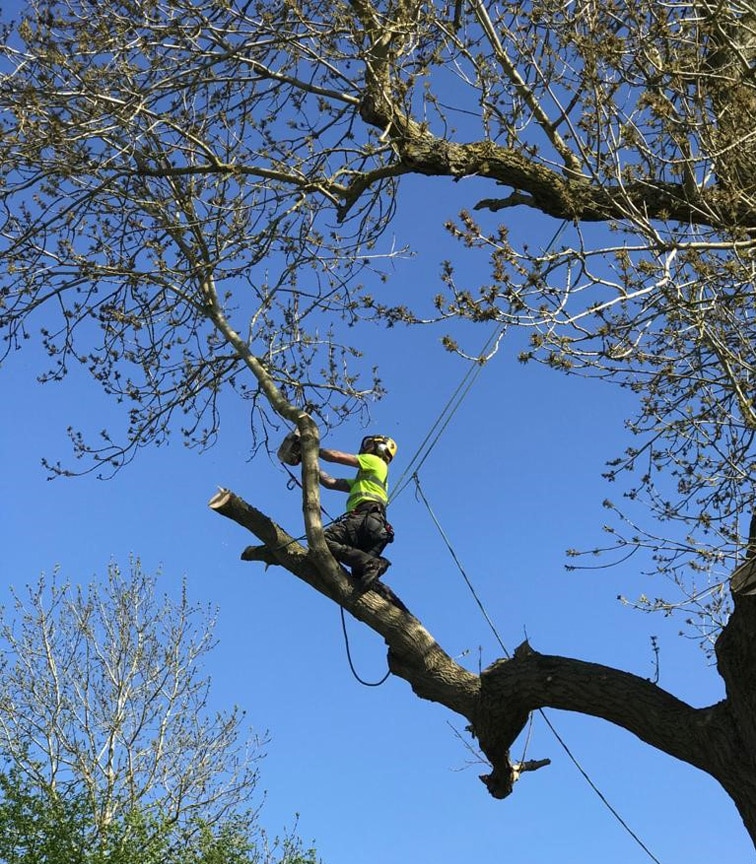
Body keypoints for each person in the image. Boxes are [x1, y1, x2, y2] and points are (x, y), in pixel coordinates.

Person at [318, 435, 397, 588]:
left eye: (369, 444)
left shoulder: (375, 461)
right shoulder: (367, 479)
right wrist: (311, 463)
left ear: (379, 448)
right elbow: (330, 482)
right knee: (361, 581)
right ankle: (383, 590)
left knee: (324, 541)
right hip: (376, 527)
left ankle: (373, 562)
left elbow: (335, 456)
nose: (365, 448)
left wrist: (312, 449)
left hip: (364, 518)